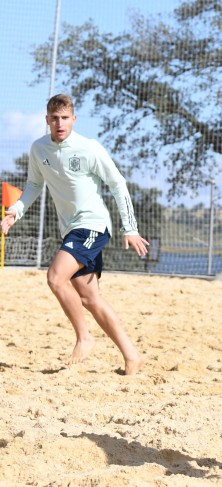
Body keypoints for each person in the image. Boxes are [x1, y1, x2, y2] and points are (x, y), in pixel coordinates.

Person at [1, 93, 148, 375]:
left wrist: (129, 228)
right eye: (55, 118)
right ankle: (132, 356)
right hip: (70, 229)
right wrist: (15, 211)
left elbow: (118, 184)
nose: (60, 123)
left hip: (92, 226)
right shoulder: (39, 149)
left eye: (65, 118)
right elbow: (33, 185)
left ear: (74, 119)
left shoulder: (89, 148)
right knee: (90, 298)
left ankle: (84, 338)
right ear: (47, 120)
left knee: (56, 277)